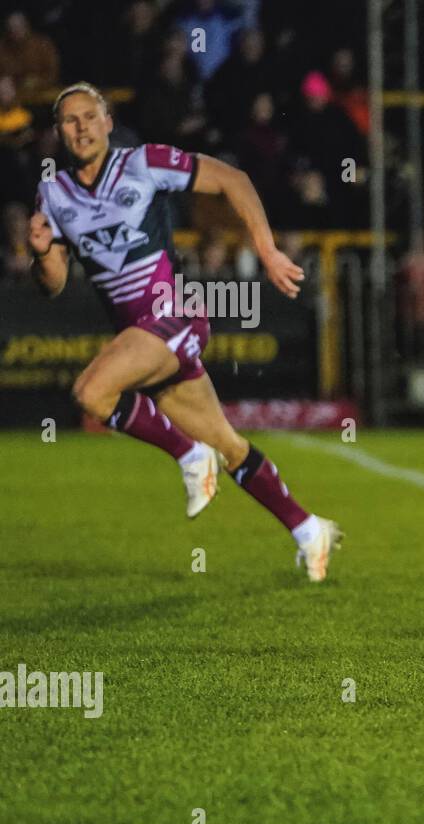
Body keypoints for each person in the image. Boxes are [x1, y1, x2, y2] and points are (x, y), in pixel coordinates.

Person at [28, 83, 342, 581]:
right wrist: (44, 252)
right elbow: (55, 286)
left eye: (90, 116)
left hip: (173, 318)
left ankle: (188, 453)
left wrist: (268, 251)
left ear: (108, 122)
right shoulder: (55, 194)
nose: (82, 127)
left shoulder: (143, 163)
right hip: (144, 342)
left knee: (91, 391)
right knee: (231, 444)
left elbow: (232, 179)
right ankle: (308, 529)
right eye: (70, 120)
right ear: (59, 131)